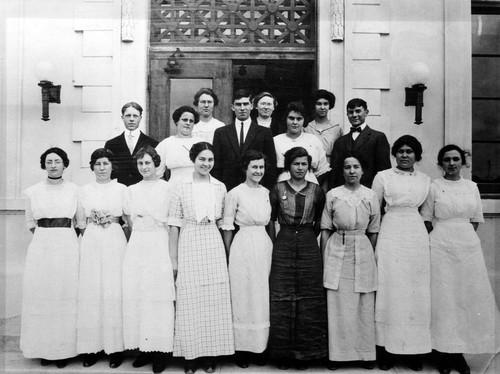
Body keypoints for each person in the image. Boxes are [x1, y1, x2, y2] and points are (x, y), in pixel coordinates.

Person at [421, 145, 497, 374]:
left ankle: (460, 354)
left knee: (465, 299)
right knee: (444, 300)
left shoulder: (471, 187)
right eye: (446, 159)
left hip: (467, 249)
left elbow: (475, 219)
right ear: (440, 163)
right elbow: (426, 219)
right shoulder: (434, 187)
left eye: (456, 159)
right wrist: (445, 237)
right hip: (441, 247)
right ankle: (444, 353)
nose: (451, 163)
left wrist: (461, 237)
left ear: (463, 162)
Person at [169, 142, 235, 374]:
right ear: (193, 159)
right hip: (189, 240)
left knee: (213, 297)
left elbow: (224, 223)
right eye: (202, 159)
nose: (206, 164)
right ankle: (190, 355)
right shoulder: (180, 186)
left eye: (210, 160)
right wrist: (174, 259)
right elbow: (175, 224)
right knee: (189, 298)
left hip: (212, 242)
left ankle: (209, 353)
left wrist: (226, 254)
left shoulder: (219, 186)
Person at [371, 135, 431, 371]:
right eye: (400, 151)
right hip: (391, 233)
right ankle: (386, 349)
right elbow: (375, 210)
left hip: (415, 235)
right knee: (390, 288)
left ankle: (413, 351)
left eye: (410, 151)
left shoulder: (426, 180)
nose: (405, 155)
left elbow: (426, 216)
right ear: (394, 154)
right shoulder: (382, 177)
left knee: (414, 292)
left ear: (417, 155)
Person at [268, 146, 328, 370]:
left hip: (307, 241)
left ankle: (306, 353)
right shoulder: (278, 188)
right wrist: (277, 242)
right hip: (283, 240)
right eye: (296, 163)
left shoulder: (316, 190)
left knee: (309, 295)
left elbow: (320, 220)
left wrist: (307, 237)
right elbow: (270, 219)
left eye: (304, 164)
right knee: (281, 295)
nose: (300, 168)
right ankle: (282, 354)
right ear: (288, 166)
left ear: (309, 166)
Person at [320, 153, 380, 370]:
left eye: (356, 167)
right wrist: (324, 257)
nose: (352, 171)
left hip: (362, 248)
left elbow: (374, 229)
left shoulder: (371, 196)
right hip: (338, 247)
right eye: (347, 167)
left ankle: (364, 354)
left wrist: (367, 254)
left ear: (363, 170)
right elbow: (326, 228)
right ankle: (338, 355)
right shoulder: (333, 195)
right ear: (342, 171)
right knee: (338, 301)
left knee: (363, 302)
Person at [21, 147, 79, 368]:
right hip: (42, 246)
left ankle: (64, 350)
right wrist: (46, 239)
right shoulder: (32, 192)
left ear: (65, 164)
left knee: (64, 293)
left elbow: (80, 221)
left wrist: (61, 238)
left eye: (57, 161)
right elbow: (30, 223)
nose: (53, 165)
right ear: (43, 165)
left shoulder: (75, 190)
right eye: (49, 161)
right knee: (43, 294)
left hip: (67, 244)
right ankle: (45, 349)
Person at [122, 146, 176, 373]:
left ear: (157, 164)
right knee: (139, 295)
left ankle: (161, 351)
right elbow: (128, 219)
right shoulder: (131, 190)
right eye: (140, 164)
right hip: (138, 244)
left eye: (148, 163)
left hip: (159, 244)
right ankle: (144, 348)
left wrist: (173, 255)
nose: (144, 167)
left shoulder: (168, 188)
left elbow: (172, 222)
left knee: (159, 296)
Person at [221, 150, 273, 368]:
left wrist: (272, 245)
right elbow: (227, 226)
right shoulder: (235, 193)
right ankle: (242, 349)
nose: (258, 171)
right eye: (254, 167)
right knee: (243, 294)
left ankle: (260, 347)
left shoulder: (266, 192)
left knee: (261, 295)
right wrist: (229, 252)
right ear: (245, 168)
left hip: (263, 245)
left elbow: (270, 223)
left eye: (261, 167)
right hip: (242, 245)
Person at [76, 148, 127, 368]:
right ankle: (92, 347)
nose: (102, 168)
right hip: (92, 238)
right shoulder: (84, 190)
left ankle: (115, 348)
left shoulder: (122, 189)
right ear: (92, 167)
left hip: (115, 238)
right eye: (98, 164)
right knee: (92, 289)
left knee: (113, 289)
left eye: (106, 163)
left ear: (112, 166)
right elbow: (80, 221)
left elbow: (128, 218)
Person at [212, 89, 277, 191]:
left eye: (245, 104)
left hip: (256, 189)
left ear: (251, 106)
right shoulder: (221, 133)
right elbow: (216, 166)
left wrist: (266, 190)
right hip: (228, 189)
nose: (242, 108)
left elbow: (271, 166)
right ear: (232, 107)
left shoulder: (264, 133)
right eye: (238, 104)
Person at [329, 98, 391, 189]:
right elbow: (334, 172)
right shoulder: (340, 141)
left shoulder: (378, 137)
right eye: (351, 112)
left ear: (366, 112)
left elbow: (384, 171)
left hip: (369, 190)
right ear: (347, 114)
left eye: (358, 111)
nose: (354, 115)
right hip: (344, 191)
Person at [273, 101, 330, 187]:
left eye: (299, 119)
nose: (295, 122)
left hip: (310, 185)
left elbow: (323, 170)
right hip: (283, 186)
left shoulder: (313, 140)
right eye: (291, 118)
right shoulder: (276, 141)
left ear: (304, 120)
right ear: (285, 119)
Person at [104, 102, 159, 186]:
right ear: (122, 118)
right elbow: (108, 171)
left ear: (140, 118)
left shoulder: (152, 143)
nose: (131, 119)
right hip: (120, 190)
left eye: (135, 116)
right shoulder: (111, 144)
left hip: (143, 189)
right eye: (128, 115)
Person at [155, 105, 203, 183]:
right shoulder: (166, 144)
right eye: (184, 120)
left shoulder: (200, 142)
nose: (188, 123)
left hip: (197, 186)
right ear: (177, 121)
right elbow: (157, 173)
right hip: (174, 187)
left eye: (191, 121)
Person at [304, 89, 342, 163]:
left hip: (331, 165)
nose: (322, 107)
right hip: (312, 166)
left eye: (325, 104)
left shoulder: (337, 128)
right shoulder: (307, 128)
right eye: (319, 104)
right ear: (314, 105)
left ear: (329, 105)